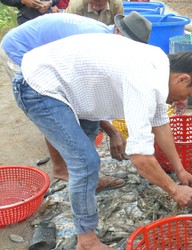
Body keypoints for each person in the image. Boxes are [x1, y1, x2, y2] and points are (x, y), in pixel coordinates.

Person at [15, 33, 192, 249]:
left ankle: (87, 185)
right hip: (39, 87)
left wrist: (180, 170)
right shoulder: (146, 80)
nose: (183, 101)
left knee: (86, 158)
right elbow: (139, 156)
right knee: (85, 163)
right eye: (187, 94)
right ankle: (86, 240)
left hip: (73, 90)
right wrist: (174, 189)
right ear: (182, 78)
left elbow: (161, 124)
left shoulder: (159, 65)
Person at [0, 12, 152, 191]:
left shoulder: (108, 39)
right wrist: (112, 131)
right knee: (52, 108)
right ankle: (61, 169)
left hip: (39, 47)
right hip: (20, 49)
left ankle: (79, 166)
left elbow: (89, 96)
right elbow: (68, 97)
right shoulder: (95, 43)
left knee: (67, 113)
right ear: (117, 30)